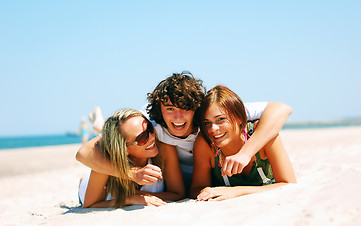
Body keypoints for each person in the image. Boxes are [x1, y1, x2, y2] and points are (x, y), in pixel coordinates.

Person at [76, 71, 292, 194]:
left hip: (205, 181)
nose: (177, 118)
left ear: (196, 108)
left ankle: (99, 125)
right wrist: (132, 174)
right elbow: (84, 152)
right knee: (118, 138)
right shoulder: (151, 122)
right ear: (160, 110)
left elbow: (281, 109)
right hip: (177, 183)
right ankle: (100, 126)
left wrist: (246, 152)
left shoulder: (211, 116)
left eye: (184, 108)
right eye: (170, 109)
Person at [190, 85, 296, 201]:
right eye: (207, 123)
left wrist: (236, 191)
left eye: (220, 119)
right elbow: (196, 189)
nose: (213, 128)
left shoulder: (263, 136)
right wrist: (208, 191)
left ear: (240, 118)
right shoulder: (206, 143)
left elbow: (288, 183)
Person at [78, 109, 184, 208]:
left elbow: (178, 194)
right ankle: (99, 125)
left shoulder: (163, 149)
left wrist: (140, 195)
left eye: (150, 128)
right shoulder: (105, 163)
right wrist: (128, 199)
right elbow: (90, 205)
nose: (152, 137)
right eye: (143, 138)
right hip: (87, 184)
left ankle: (99, 125)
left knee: (111, 131)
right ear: (124, 149)